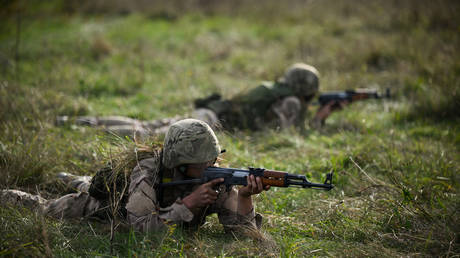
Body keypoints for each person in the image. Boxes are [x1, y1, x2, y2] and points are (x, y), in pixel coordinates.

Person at [1, 119, 269, 233]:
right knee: (49, 207)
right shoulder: (148, 171)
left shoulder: (214, 178)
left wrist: (244, 197)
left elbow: (239, 231)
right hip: (109, 206)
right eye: (202, 162)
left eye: (212, 159)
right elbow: (140, 226)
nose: (211, 165)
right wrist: (187, 205)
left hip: (141, 198)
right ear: (180, 163)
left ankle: (70, 177)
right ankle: (12, 195)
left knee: (81, 182)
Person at [56, 63, 344, 137]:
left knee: (146, 124)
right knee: (148, 134)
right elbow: (280, 132)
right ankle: (84, 127)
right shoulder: (291, 102)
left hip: (208, 113)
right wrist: (318, 122)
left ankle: (82, 122)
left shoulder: (273, 88)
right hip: (209, 122)